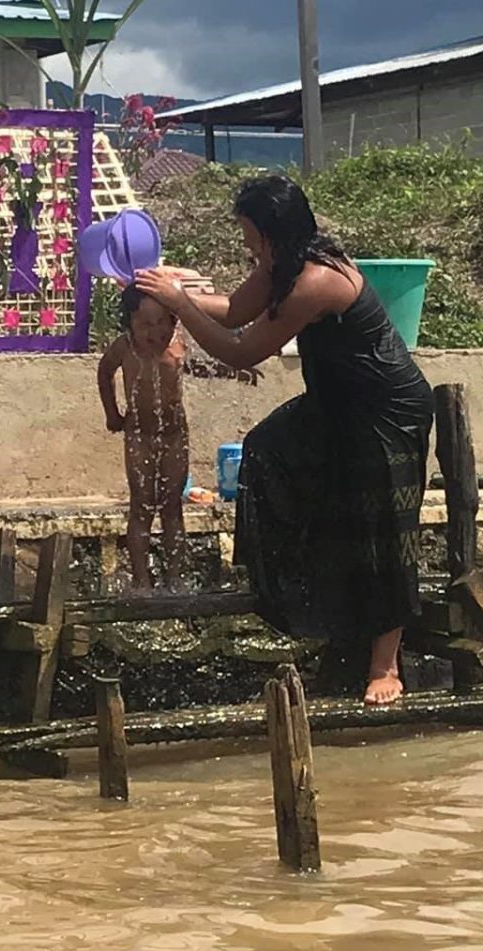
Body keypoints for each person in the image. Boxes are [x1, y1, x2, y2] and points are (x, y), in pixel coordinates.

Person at [133, 174, 433, 705]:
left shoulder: (317, 279)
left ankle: (385, 666)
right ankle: (306, 595)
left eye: (250, 234)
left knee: (383, 524)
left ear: (271, 232)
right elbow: (237, 309)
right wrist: (186, 290)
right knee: (266, 452)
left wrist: (181, 305)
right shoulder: (282, 264)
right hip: (336, 403)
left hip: (385, 410)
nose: (246, 245)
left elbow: (242, 350)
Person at [97, 284, 190, 593]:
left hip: (175, 435)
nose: (156, 331)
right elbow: (104, 371)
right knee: (141, 506)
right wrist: (112, 413)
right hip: (139, 435)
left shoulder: (179, 344)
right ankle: (141, 582)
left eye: (164, 321)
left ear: (175, 320)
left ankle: (176, 579)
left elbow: (208, 363)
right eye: (146, 325)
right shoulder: (124, 348)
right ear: (130, 323)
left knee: (172, 506)